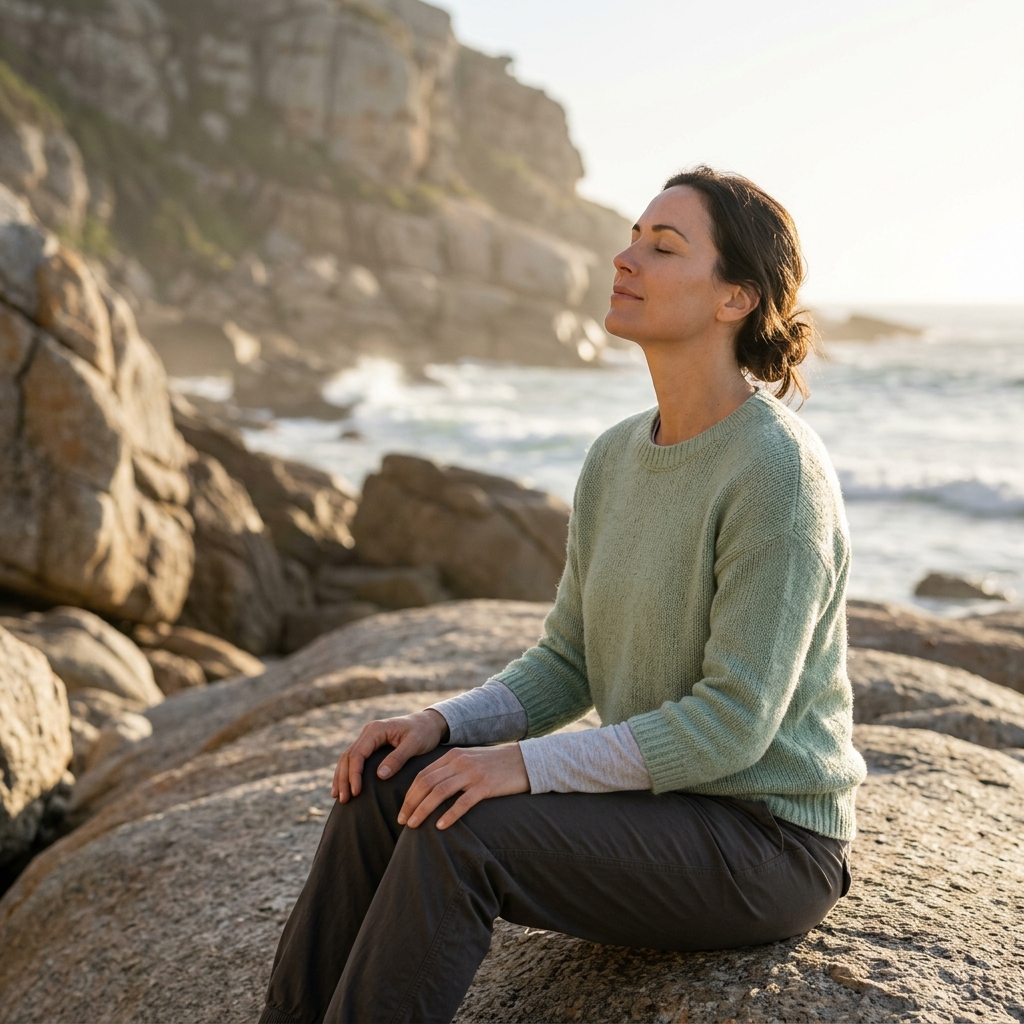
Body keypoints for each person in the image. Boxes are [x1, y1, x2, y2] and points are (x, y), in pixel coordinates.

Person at [258, 166, 867, 1024]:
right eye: (631, 237)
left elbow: (735, 723)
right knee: (388, 788)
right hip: (666, 808)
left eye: (663, 247)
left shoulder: (776, 472)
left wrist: (525, 767)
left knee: (459, 830)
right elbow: (568, 658)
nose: (625, 259)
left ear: (735, 297)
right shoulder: (615, 457)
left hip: (768, 842)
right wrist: (443, 725)